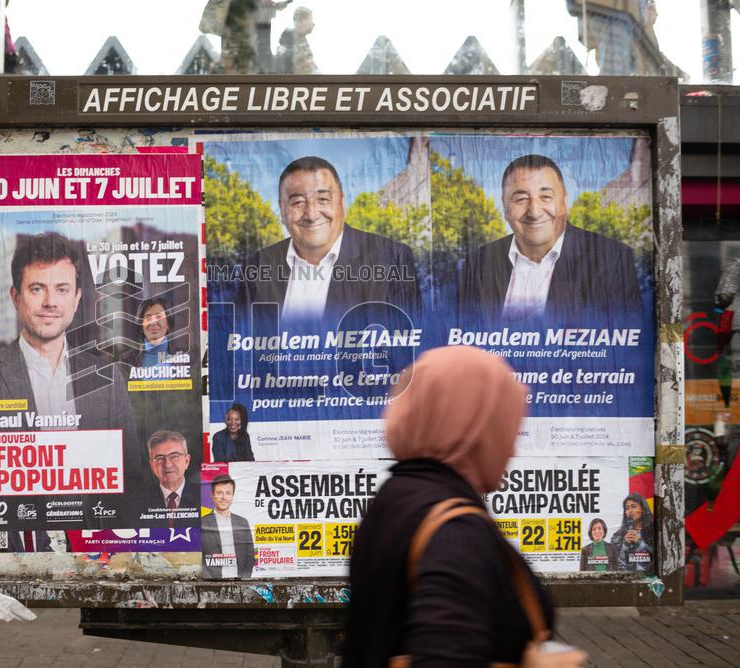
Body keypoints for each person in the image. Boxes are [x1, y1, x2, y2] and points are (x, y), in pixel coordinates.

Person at [343, 346, 586, 667]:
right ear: (472, 431)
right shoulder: (455, 530)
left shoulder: (397, 496)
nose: (511, 448)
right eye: (502, 428)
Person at [0, 232, 135, 436]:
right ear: (15, 297)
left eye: (62, 290)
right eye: (37, 289)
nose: (50, 302)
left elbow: (129, 467)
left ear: (76, 299)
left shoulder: (108, 378)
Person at [459, 154, 641, 326]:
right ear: (505, 207)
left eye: (546, 197)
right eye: (521, 199)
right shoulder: (479, 262)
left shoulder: (611, 258)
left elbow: (624, 347)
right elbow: (461, 339)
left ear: (564, 203)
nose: (535, 212)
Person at [241, 156, 421, 325]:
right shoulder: (257, 266)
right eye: (297, 202)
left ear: (342, 203)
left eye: (323, 199)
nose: (311, 214)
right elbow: (241, 346)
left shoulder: (391, 258)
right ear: (282, 210)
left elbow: (409, 345)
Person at [201, 474, 255, 578]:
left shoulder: (242, 522)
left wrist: (244, 579)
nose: (224, 498)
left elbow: (250, 555)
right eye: (219, 493)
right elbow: (200, 557)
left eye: (228, 493)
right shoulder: (202, 523)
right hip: (212, 583)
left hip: (239, 581)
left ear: (233, 496)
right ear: (212, 495)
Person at [143, 430, 200, 520]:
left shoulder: (204, 496)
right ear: (152, 465)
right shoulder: (139, 501)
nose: (167, 464)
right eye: (160, 458)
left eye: (174, 456)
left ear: (187, 461)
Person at [121, 296, 187, 367]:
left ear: (168, 324)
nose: (153, 322)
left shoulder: (185, 357)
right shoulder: (126, 359)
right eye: (148, 317)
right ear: (141, 326)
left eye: (159, 317)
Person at [610, 493, 655, 572]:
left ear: (643, 509)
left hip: (650, 579)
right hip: (627, 581)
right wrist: (625, 546)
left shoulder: (654, 532)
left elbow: (660, 559)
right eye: (627, 508)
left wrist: (640, 543)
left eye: (633, 506)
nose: (630, 511)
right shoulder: (617, 537)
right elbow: (615, 565)